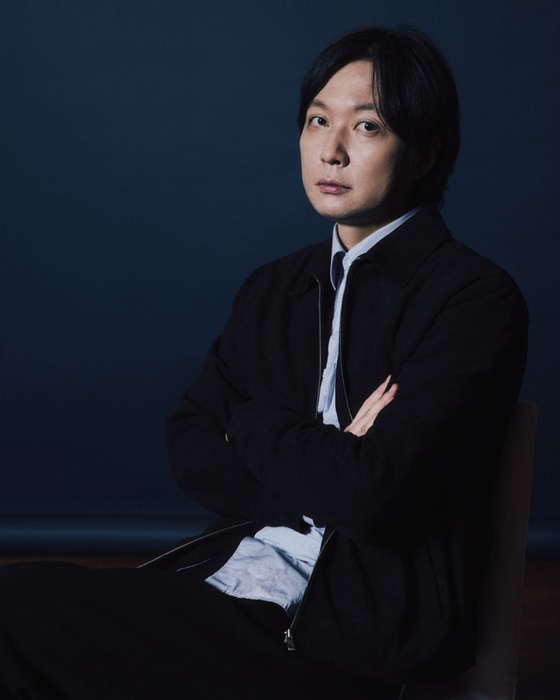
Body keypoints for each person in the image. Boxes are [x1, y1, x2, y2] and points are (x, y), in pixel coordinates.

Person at [0, 26, 528, 700]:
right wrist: (324, 464)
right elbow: (190, 445)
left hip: (349, 632)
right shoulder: (274, 288)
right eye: (317, 121)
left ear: (425, 151)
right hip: (229, 586)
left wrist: (249, 423)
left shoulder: (471, 298)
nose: (331, 150)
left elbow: (371, 495)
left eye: (367, 126)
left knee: (16, 613)